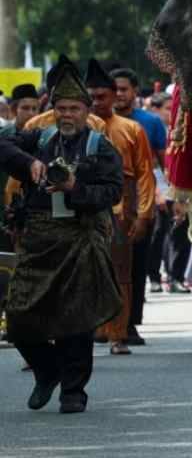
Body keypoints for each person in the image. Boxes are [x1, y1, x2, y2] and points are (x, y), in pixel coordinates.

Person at [0, 59, 123, 413]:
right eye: (61, 108)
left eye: (74, 108)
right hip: (39, 239)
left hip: (80, 237)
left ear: (87, 111)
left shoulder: (100, 147)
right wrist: (29, 164)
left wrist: (75, 188)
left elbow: (112, 193)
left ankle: (73, 390)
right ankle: (46, 370)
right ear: (52, 110)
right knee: (19, 316)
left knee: (76, 319)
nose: (67, 115)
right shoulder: (37, 139)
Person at [85, 59, 156, 355]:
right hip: (85, 203)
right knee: (85, 271)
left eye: (102, 96)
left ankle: (118, 333)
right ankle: (90, 329)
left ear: (115, 96)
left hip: (120, 206)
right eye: (91, 96)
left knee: (121, 272)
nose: (96, 102)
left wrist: (143, 214)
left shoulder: (131, 128)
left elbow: (144, 174)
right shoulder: (78, 126)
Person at [109, 67, 169, 341]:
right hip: (104, 204)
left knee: (136, 264)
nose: (119, 94)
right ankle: (105, 324)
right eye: (115, 90)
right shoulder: (96, 122)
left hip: (139, 200)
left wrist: (164, 196)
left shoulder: (150, 123)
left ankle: (130, 323)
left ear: (134, 92)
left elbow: (161, 162)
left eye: (124, 89)